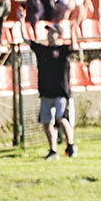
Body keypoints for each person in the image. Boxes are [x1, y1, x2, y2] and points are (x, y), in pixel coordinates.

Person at [26, 20, 77, 159]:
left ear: (59, 36)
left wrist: (73, 30)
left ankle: (70, 145)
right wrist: (20, 20)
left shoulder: (63, 50)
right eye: (48, 32)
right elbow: (26, 39)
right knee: (47, 122)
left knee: (61, 118)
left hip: (61, 92)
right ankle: (53, 150)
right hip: (46, 92)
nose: (49, 35)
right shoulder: (42, 50)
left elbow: (74, 46)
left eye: (53, 32)